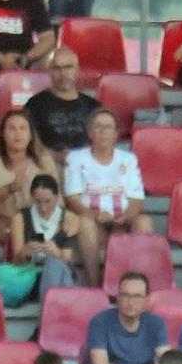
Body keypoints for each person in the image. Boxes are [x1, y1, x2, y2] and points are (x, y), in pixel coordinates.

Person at [0, 108, 59, 282]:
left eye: (23, 128)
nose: (18, 134)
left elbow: (56, 201)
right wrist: (10, 188)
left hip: (34, 225)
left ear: (31, 134)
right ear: (2, 134)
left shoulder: (44, 161)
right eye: (12, 128)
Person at [64, 107, 151, 276]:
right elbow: (72, 198)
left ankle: (136, 282)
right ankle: (94, 284)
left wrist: (126, 216)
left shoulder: (128, 159)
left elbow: (136, 199)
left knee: (144, 222)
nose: (103, 132)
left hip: (122, 221)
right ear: (90, 132)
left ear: (116, 134)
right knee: (85, 224)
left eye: (108, 127)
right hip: (94, 221)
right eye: (98, 126)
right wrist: (95, 215)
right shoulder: (76, 158)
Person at [86, 271, 169, 364]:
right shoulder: (100, 322)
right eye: (125, 295)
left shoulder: (156, 323)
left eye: (137, 296)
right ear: (117, 298)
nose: (130, 302)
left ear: (146, 300)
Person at [9, 171, 87, 298]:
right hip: (31, 277)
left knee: (54, 265)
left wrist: (55, 252)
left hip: (60, 274)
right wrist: (25, 252)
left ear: (57, 197)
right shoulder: (20, 218)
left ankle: (49, 310)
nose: (43, 207)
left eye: (48, 201)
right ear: (32, 198)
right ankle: (53, 309)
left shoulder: (69, 218)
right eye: (38, 202)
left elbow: (68, 260)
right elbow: (16, 261)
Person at [24, 48, 101, 156]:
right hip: (48, 165)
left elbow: (103, 144)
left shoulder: (94, 106)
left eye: (68, 67)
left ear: (77, 70)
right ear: (49, 72)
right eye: (57, 68)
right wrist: (55, 157)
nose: (63, 73)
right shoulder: (35, 105)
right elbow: (27, 143)